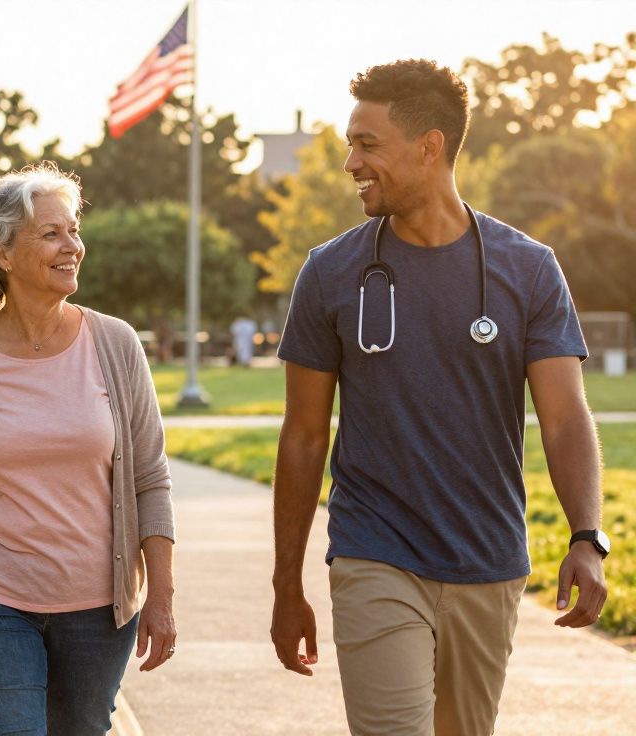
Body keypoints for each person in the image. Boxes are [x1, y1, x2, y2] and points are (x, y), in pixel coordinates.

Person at [269, 60, 607, 736]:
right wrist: (286, 583)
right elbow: (304, 435)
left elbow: (564, 414)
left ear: (430, 145)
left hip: (489, 560)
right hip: (375, 551)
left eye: (367, 144)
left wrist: (587, 536)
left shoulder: (527, 269)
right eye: (349, 143)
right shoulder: (330, 273)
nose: (349, 162)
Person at [0, 162, 178, 735]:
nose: (72, 247)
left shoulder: (116, 343)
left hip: (98, 607)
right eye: (52, 233)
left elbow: (149, 479)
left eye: (74, 231)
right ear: (1, 253)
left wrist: (161, 596)